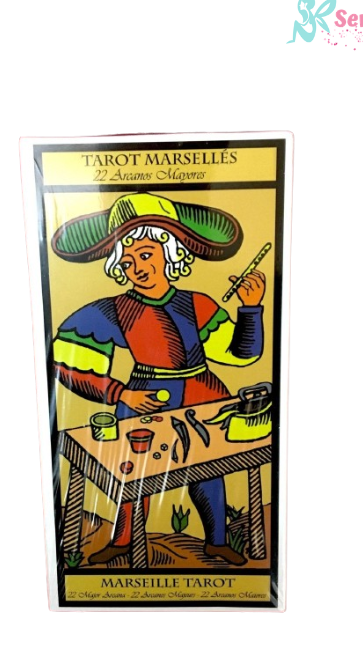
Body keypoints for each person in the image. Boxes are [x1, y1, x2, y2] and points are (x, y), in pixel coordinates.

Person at [51, 192, 265, 565]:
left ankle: (216, 541)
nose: (137, 267)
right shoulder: (112, 310)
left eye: (146, 255)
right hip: (143, 400)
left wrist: (251, 308)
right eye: (128, 260)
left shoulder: (198, 303)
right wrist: (120, 394)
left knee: (210, 474)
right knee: (132, 476)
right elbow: (67, 363)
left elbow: (241, 354)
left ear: (170, 254)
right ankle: (123, 540)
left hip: (205, 396)